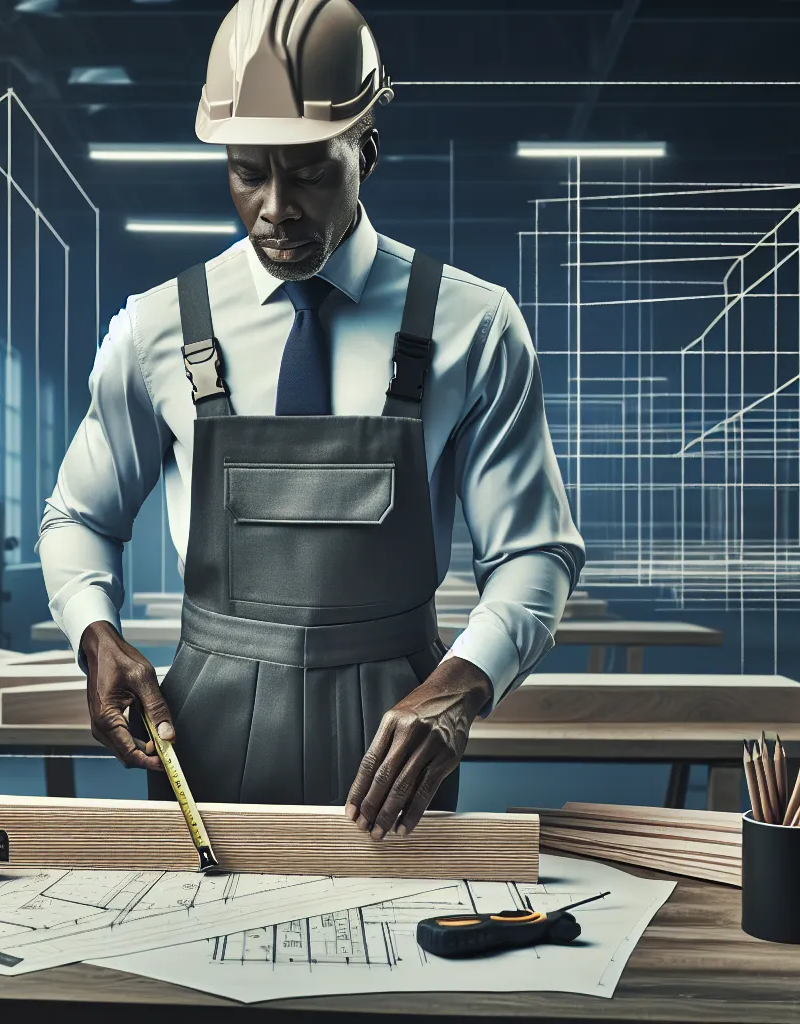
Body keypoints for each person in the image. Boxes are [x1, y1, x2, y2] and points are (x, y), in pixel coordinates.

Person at [39, 0, 584, 841]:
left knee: (396, 963)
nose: (275, 207)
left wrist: (462, 685)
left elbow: (535, 550)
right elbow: (79, 515)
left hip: (399, 735)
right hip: (203, 729)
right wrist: (94, 635)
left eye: (308, 172)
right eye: (248, 172)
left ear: (365, 148)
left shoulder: (473, 326)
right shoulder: (156, 329)